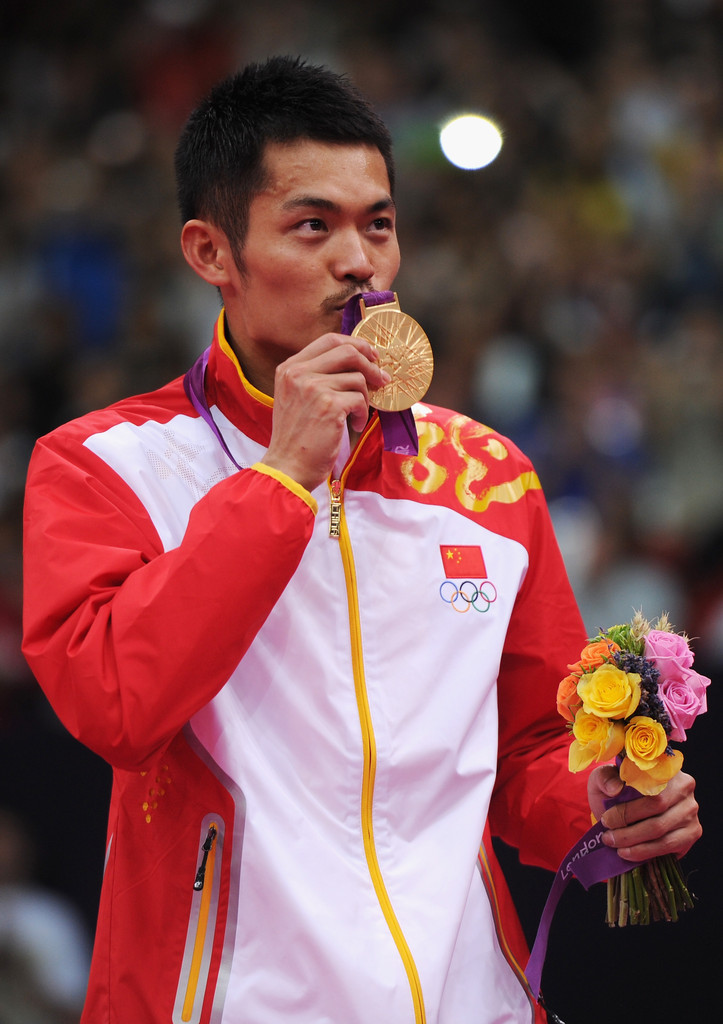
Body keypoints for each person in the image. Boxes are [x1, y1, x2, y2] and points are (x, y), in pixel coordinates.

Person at [22, 56, 701, 1024]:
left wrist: (603, 802)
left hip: (473, 1000)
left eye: (378, 224)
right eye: (313, 225)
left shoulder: (488, 476)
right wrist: (279, 480)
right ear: (212, 253)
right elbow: (117, 707)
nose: (361, 262)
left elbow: (529, 746)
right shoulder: (103, 466)